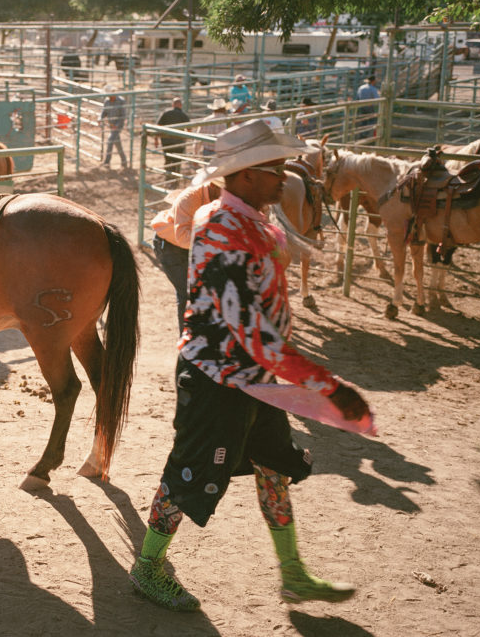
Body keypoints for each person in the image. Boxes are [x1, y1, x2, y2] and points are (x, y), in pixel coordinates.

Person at [129, 120, 372, 612]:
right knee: (188, 472)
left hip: (252, 377)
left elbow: (273, 271)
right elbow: (251, 332)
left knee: (272, 467)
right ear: (243, 178)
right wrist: (323, 384)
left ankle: (293, 574)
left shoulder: (254, 219)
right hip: (217, 376)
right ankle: (148, 567)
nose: (284, 178)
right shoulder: (220, 227)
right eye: (274, 170)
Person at [149, 181, 220, 331]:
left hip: (195, 246)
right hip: (170, 245)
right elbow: (182, 236)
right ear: (213, 185)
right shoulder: (190, 198)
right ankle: (187, 343)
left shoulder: (220, 198)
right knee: (188, 293)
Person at [156, 96, 191, 177]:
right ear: (181, 105)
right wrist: (184, 137)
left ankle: (168, 177)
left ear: (172, 105)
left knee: (168, 160)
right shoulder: (183, 115)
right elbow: (189, 129)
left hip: (166, 142)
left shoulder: (165, 113)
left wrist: (156, 139)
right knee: (177, 161)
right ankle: (175, 179)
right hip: (178, 143)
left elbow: (158, 126)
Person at [100, 85, 128, 169]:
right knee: (117, 143)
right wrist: (100, 118)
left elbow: (123, 116)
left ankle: (106, 162)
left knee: (110, 141)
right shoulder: (107, 101)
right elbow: (104, 111)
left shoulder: (121, 101)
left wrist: (116, 125)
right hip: (111, 125)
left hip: (118, 125)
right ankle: (124, 161)